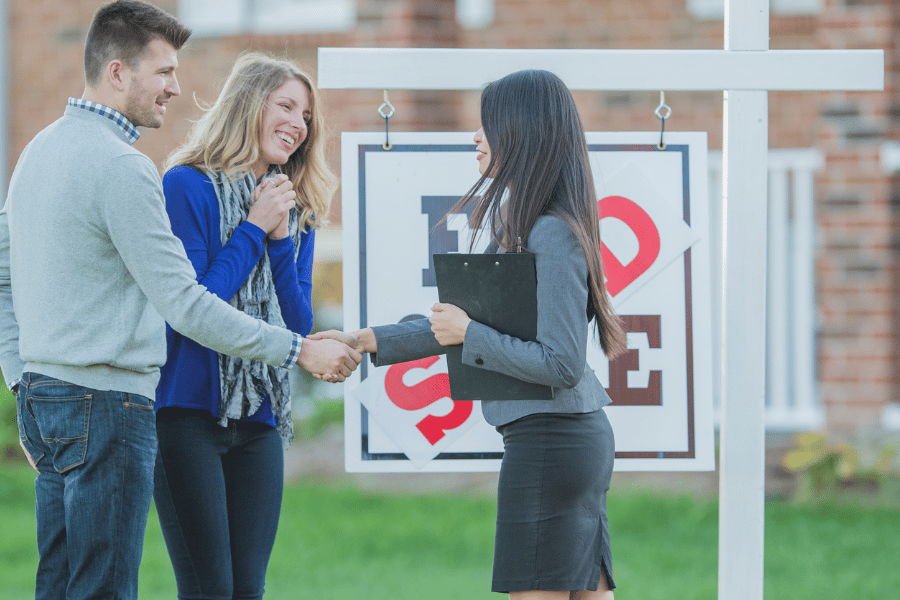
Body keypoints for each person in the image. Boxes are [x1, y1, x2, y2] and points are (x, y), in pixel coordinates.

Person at [0, 2, 359, 599]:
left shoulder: (36, 150)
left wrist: (21, 382)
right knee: (111, 587)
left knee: (68, 585)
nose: (176, 86)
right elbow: (186, 306)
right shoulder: (139, 172)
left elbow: (3, 278)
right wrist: (295, 346)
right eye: (164, 72)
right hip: (125, 404)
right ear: (119, 73)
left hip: (65, 398)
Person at [314, 69, 626, 599]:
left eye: (488, 127)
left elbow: (561, 363)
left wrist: (471, 332)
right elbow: (454, 324)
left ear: (521, 134)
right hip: (563, 440)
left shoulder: (550, 231)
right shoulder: (530, 223)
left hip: (551, 443)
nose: (475, 138)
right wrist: (367, 340)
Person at [151, 52, 336, 599]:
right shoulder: (186, 187)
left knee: (247, 590)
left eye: (306, 115)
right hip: (186, 413)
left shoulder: (293, 205)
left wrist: (280, 239)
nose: (299, 125)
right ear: (250, 105)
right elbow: (197, 305)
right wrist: (253, 228)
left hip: (259, 417)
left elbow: (298, 321)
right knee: (209, 588)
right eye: (286, 106)